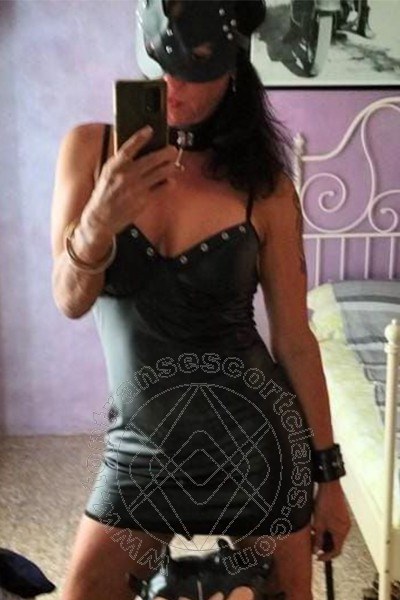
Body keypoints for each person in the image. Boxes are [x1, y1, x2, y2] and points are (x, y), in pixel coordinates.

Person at [51, 1, 351, 599]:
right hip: (140, 450)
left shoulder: (265, 187)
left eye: (196, 68)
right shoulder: (91, 150)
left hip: (256, 447)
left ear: (233, 69)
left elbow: (294, 340)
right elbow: (69, 299)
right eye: (162, 65)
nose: (173, 84)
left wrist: (329, 478)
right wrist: (100, 220)